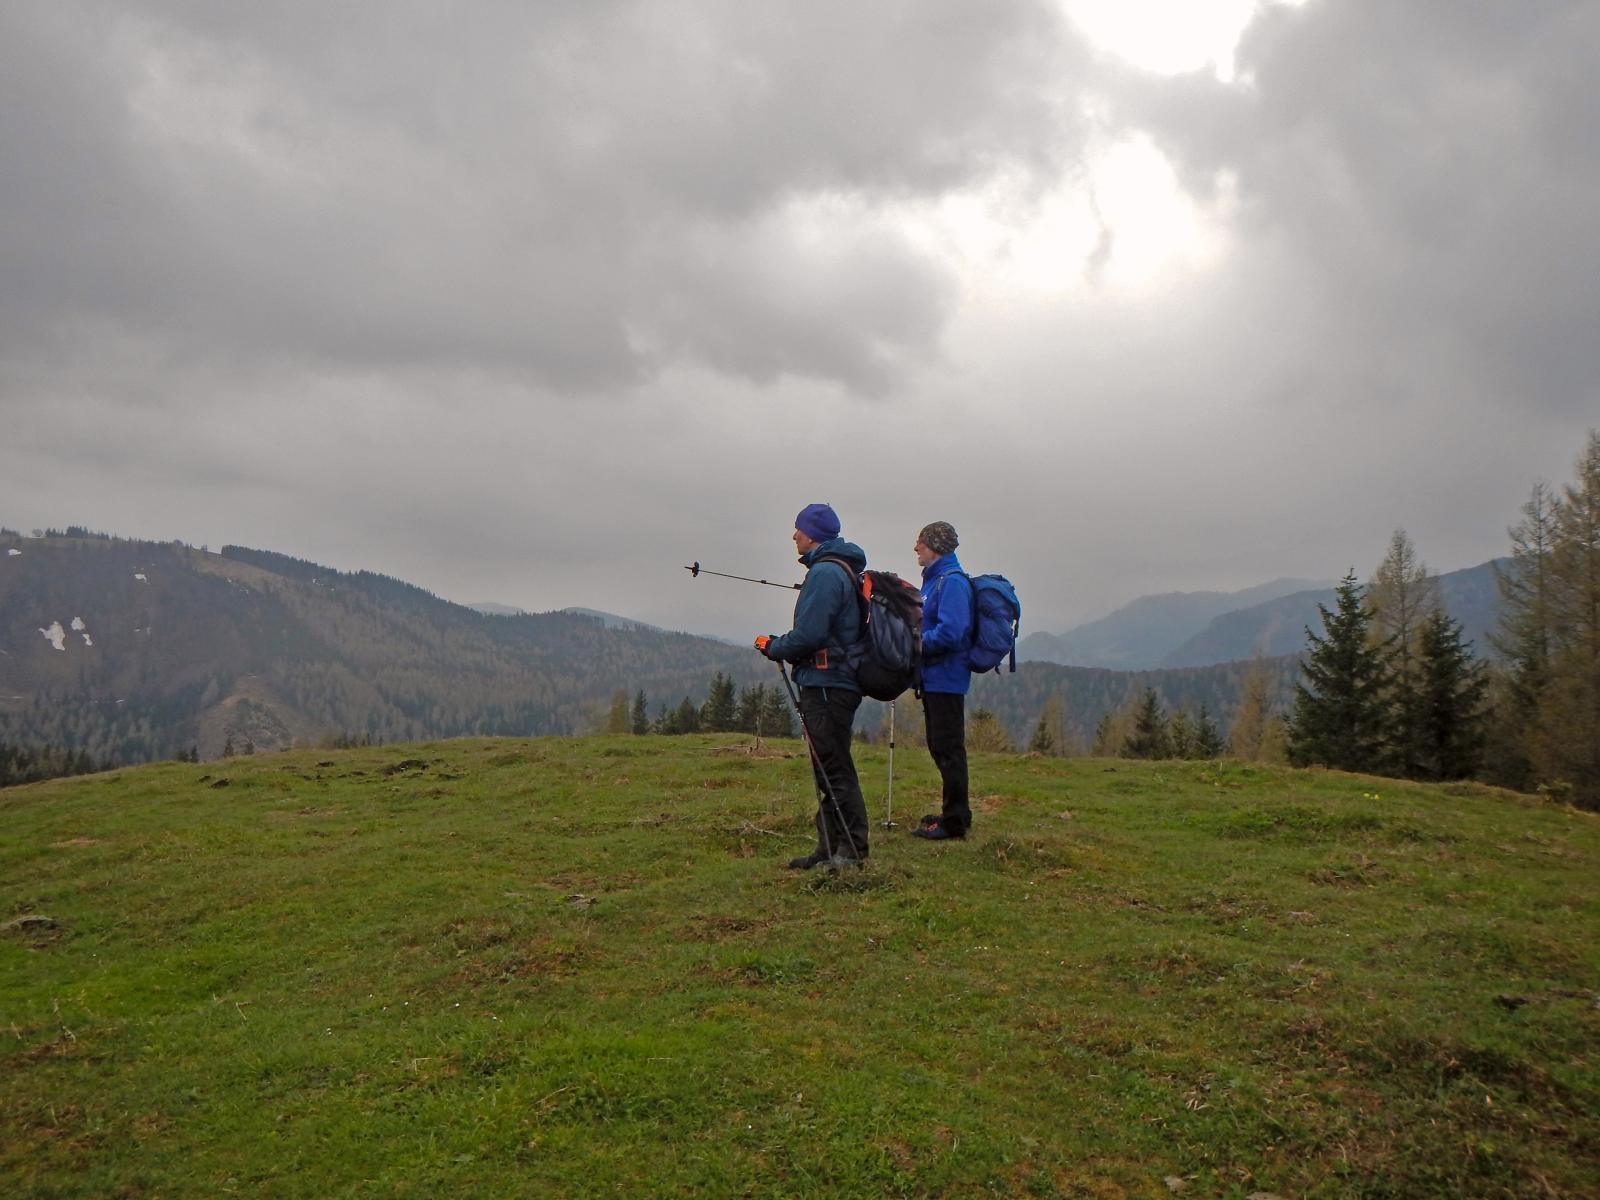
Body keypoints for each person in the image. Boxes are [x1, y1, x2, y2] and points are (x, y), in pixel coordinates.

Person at [754, 504, 871, 869]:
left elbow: (811, 634)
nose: (794, 535)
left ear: (813, 533)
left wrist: (774, 646)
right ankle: (828, 848)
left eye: (798, 529)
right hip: (836, 681)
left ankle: (850, 852)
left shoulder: (824, 573)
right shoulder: (841, 568)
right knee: (828, 766)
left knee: (833, 767)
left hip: (826, 684)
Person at [912, 521, 974, 841]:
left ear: (935, 546)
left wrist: (915, 645)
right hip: (935, 677)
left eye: (921, 542)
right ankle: (955, 811)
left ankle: (954, 822)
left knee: (948, 749)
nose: (916, 548)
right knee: (941, 747)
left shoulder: (951, 583)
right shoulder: (934, 581)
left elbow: (952, 632)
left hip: (946, 677)